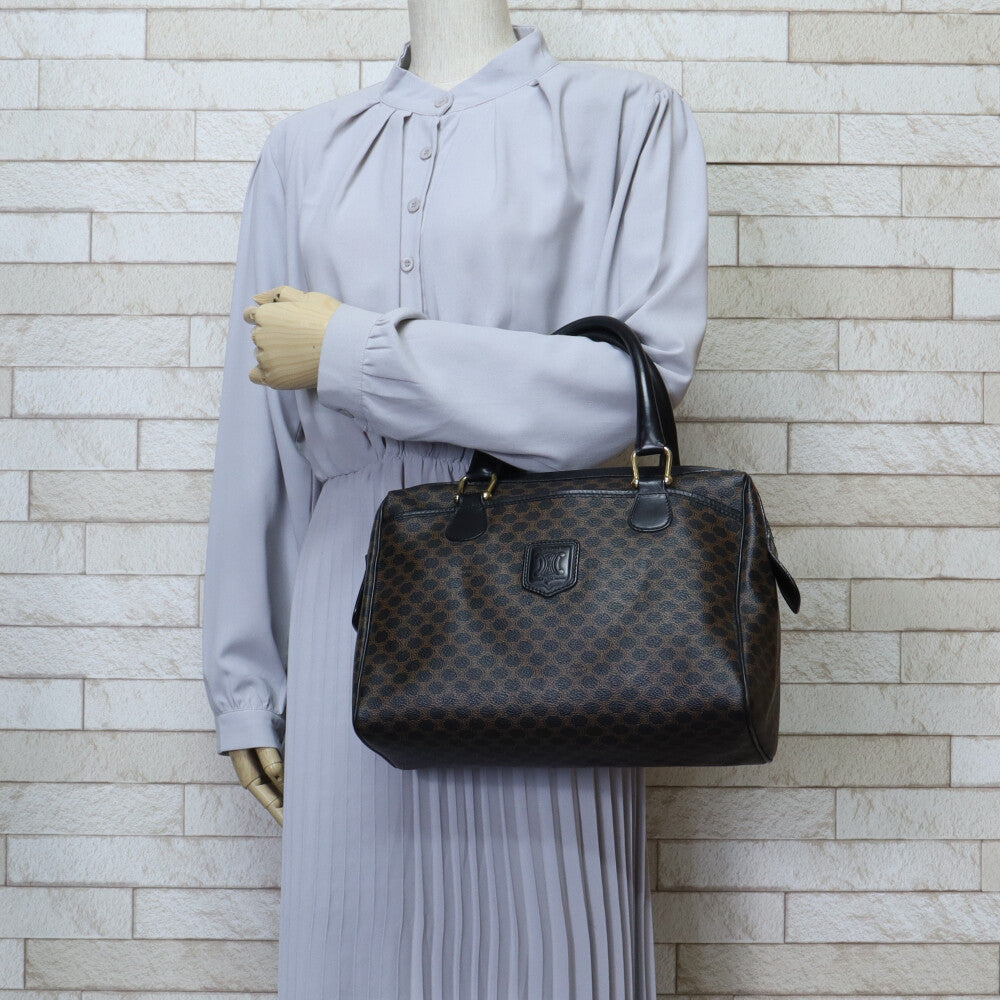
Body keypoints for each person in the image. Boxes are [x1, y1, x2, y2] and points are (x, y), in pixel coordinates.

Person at [201, 9, 708, 998]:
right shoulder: (301, 153)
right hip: (349, 610)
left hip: (554, 607)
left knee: (556, 955)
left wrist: (353, 351)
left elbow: (630, 384)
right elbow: (259, 436)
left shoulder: (629, 120)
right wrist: (244, 678)